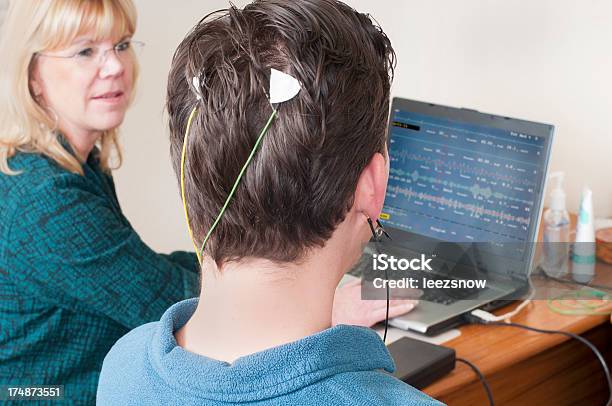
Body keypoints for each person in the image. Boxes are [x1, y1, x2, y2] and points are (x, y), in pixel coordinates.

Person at [0, 1, 415, 403]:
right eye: (85, 51)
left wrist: (249, 256)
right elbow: (152, 294)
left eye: (121, 45)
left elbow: (138, 269)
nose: (113, 66)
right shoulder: (44, 201)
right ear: (32, 73)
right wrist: (327, 301)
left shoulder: (77, 164)